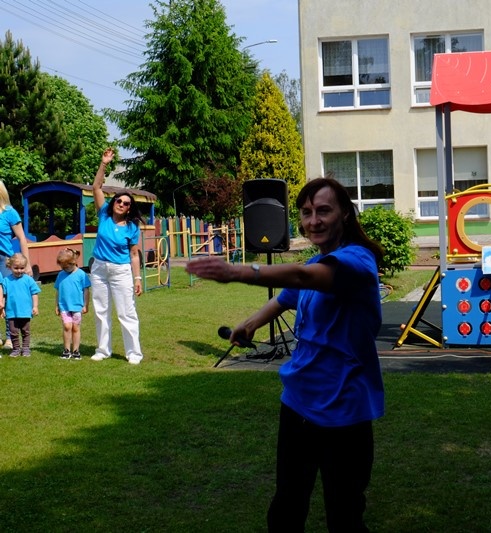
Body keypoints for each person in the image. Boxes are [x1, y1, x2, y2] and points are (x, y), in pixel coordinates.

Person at [186, 176, 385, 532]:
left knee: (344, 515)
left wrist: (238, 271)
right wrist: (249, 324)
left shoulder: (357, 262)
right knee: (287, 505)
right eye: (307, 213)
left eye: (323, 211)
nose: (314, 221)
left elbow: (302, 278)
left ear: (345, 214)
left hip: (344, 410)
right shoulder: (319, 260)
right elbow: (285, 298)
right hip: (298, 404)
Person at [89, 148, 146, 365]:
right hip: (99, 269)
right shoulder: (103, 215)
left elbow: (134, 254)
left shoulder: (132, 228)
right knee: (101, 311)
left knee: (126, 313)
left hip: (121, 271)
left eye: (126, 203)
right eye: (119, 201)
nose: (121, 204)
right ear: (113, 203)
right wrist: (104, 163)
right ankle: (103, 350)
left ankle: (134, 353)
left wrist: (137, 278)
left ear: (130, 208)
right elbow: (96, 187)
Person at [0, 181, 33, 349]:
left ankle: (9, 337)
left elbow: (22, 238)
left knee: (9, 297)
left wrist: (27, 264)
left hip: (5, 260)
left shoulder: (9, 213)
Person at [55, 248, 91, 360]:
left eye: (66, 267)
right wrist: (57, 305)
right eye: (62, 267)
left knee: (75, 327)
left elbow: (86, 290)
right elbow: (58, 291)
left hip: (77, 306)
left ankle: (76, 350)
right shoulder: (61, 275)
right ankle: (66, 350)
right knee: (67, 326)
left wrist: (85, 304)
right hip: (64, 306)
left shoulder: (81, 275)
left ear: (73, 262)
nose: (64, 269)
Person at [3, 253, 40, 357]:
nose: (19, 270)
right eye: (16, 268)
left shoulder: (28, 280)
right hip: (11, 312)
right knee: (13, 332)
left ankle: (25, 348)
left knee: (25, 331)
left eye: (22, 268)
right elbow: (4, 295)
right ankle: (16, 349)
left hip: (25, 311)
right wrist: (2, 308)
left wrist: (35, 306)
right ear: (10, 267)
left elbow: (34, 293)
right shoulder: (6, 280)